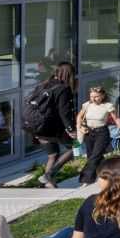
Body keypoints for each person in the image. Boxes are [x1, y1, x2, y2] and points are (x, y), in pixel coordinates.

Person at [30, 61, 78, 189]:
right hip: (51, 127)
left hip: (37, 126)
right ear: (69, 74)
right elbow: (64, 111)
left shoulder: (42, 85)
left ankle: (48, 183)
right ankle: (50, 174)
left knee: (53, 154)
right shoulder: (63, 88)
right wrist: (71, 129)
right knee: (74, 147)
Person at [75, 85, 120, 186]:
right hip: (88, 133)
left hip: (102, 133)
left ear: (102, 96)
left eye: (96, 96)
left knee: (94, 156)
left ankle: (86, 179)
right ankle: (109, 170)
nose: (93, 99)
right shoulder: (86, 105)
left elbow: (116, 119)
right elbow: (79, 117)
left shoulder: (108, 105)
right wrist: (79, 127)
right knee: (92, 156)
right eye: (91, 96)